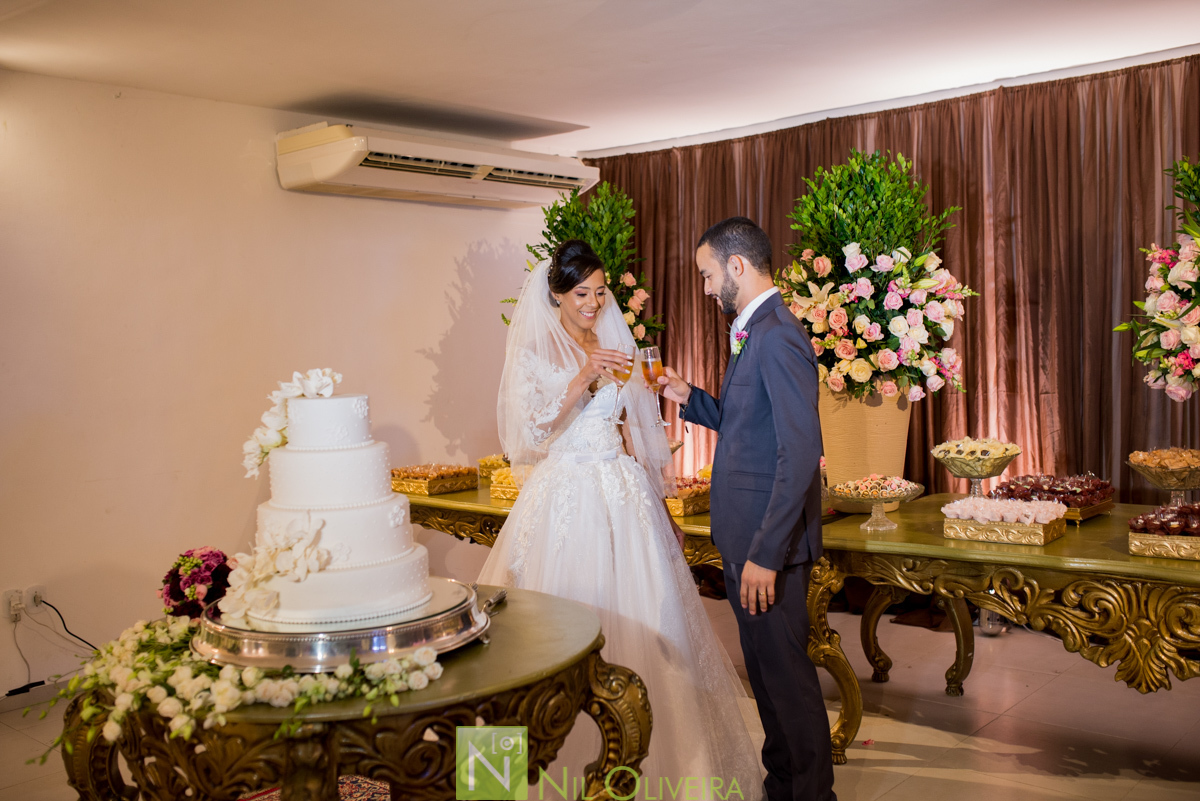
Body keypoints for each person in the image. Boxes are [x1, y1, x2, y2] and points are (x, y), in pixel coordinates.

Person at [478, 239, 763, 799]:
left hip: (622, 494)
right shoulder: (537, 351)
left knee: (648, 627)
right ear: (557, 296)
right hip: (567, 496)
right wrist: (581, 378)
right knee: (557, 629)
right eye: (581, 294)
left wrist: (662, 501)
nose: (593, 303)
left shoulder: (616, 340)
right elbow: (530, 432)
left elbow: (635, 427)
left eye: (600, 292)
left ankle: (662, 765)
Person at [658, 217, 836, 801]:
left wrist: (765, 554)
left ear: (737, 265)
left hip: (767, 547)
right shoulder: (752, 330)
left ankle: (812, 794)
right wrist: (690, 397)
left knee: (788, 683)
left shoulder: (778, 335)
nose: (707, 287)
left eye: (708, 274)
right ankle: (782, 786)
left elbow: (799, 453)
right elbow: (747, 425)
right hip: (745, 538)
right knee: (765, 676)